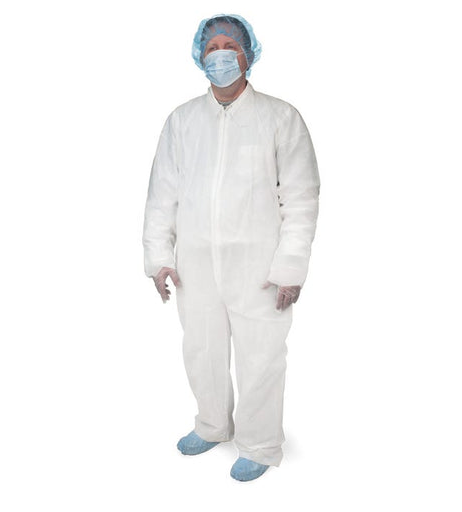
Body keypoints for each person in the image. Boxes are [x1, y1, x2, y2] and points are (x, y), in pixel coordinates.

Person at [142, 13, 320, 482]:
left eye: (230, 46)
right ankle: (212, 424)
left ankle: (260, 444)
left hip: (259, 265)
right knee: (201, 349)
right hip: (195, 264)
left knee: (261, 355)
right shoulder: (182, 121)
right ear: (199, 56)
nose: (220, 55)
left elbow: (300, 198)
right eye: (212, 47)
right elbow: (162, 195)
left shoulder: (280, 118)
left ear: (248, 54)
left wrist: (290, 267)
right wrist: (159, 258)